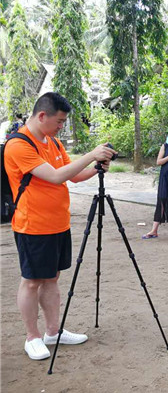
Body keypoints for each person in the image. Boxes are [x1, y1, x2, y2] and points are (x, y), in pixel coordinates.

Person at [4, 92, 116, 360]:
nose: (61, 126)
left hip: (58, 223)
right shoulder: (19, 145)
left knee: (52, 278)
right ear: (42, 116)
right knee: (32, 282)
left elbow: (72, 176)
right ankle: (32, 337)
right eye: (60, 121)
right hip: (32, 226)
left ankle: (53, 331)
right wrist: (91, 154)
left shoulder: (52, 142)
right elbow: (54, 177)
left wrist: (96, 168)